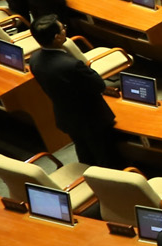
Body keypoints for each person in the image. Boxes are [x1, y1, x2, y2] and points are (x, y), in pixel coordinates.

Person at [28, 15, 124, 169]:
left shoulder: (34, 59)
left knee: (84, 152)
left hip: (66, 116)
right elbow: (99, 85)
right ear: (57, 37)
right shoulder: (71, 65)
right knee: (105, 157)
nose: (65, 30)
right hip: (92, 118)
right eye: (63, 28)